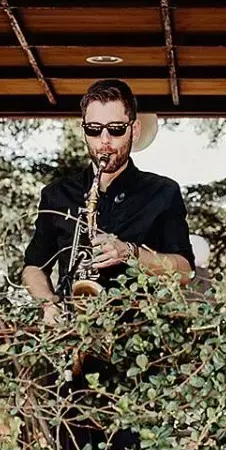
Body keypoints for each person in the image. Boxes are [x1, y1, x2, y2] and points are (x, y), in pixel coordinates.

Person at [22, 79, 194, 320]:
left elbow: (185, 272)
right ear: (83, 131)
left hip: (139, 335)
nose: (104, 140)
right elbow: (33, 267)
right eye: (93, 129)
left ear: (134, 130)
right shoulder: (56, 194)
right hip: (73, 332)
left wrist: (131, 253)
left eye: (116, 129)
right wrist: (48, 304)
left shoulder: (163, 192)